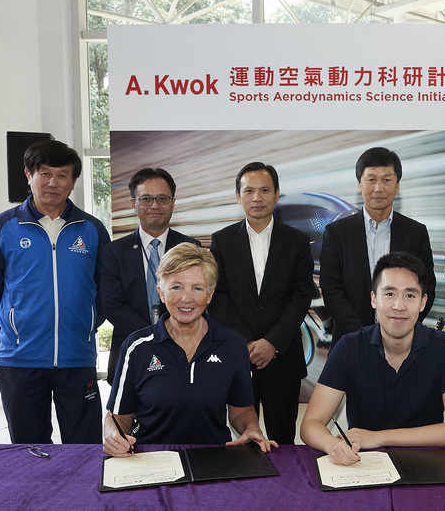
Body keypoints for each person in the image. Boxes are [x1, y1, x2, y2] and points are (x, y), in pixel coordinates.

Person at [0, 140, 110, 444]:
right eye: (45, 173)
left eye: (63, 175)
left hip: (77, 358)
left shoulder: (91, 229)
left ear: (74, 181)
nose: (53, 183)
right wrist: (13, 330)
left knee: (85, 445)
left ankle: (85, 493)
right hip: (20, 359)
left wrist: (86, 324)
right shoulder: (3, 227)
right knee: (28, 447)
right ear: (28, 174)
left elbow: (103, 288)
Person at [301, 252, 445, 466]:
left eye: (410, 295)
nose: (399, 306)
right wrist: (332, 445)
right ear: (374, 299)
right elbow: (311, 424)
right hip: (363, 462)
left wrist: (379, 437)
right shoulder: (349, 347)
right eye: (389, 294)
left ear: (423, 302)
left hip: (426, 460)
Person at [103, 243, 276, 456]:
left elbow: (242, 411)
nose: (186, 298)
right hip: (149, 459)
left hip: (214, 459)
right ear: (161, 293)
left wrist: (251, 428)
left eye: (197, 288)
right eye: (176, 287)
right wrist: (112, 435)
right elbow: (117, 417)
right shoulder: (136, 346)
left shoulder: (233, 346)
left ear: (210, 295)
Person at [208, 162, 313, 445]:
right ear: (237, 195)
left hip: (283, 357)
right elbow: (217, 296)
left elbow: (302, 295)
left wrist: (272, 343)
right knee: (242, 439)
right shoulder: (222, 240)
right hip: (238, 357)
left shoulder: (298, 242)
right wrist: (246, 343)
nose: (257, 197)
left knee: (284, 440)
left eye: (265, 190)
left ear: (277, 194)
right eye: (249, 191)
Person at [320, 147, 435, 348]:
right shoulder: (337, 233)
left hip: (402, 345)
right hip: (350, 343)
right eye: (371, 179)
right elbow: (331, 290)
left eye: (387, 180)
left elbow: (427, 288)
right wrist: (362, 335)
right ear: (359, 184)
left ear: (397, 185)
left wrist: (399, 330)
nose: (379, 188)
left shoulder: (416, 232)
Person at [101, 168, 200, 384]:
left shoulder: (191, 248)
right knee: (125, 417)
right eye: (146, 199)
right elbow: (111, 304)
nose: (155, 206)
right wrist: (156, 335)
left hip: (182, 351)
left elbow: (198, 300)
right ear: (132, 203)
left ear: (173, 202)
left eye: (162, 198)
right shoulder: (114, 252)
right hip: (130, 350)